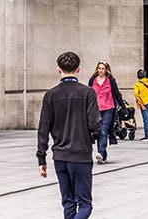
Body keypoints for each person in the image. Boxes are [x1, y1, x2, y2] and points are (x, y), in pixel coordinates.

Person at [36, 51, 101, 219]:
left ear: (59, 69)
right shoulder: (88, 93)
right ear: (78, 69)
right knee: (85, 204)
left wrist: (41, 158)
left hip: (60, 156)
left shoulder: (50, 95)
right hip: (81, 154)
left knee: (68, 202)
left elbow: (43, 128)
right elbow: (94, 123)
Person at [88, 61, 122, 163]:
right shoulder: (92, 80)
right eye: (99, 68)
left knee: (103, 130)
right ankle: (103, 156)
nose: (101, 70)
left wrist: (123, 107)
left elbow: (117, 94)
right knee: (98, 132)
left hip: (108, 108)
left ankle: (101, 153)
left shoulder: (110, 81)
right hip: (96, 109)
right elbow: (88, 94)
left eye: (103, 68)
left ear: (106, 70)